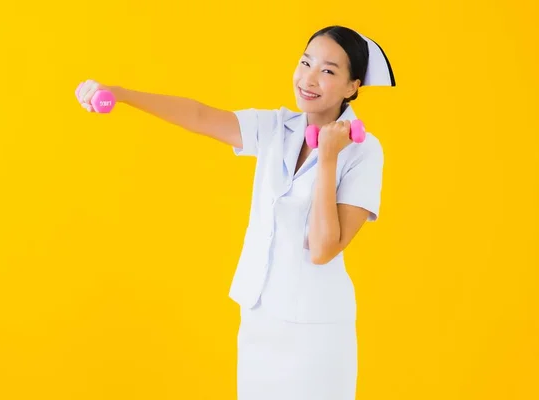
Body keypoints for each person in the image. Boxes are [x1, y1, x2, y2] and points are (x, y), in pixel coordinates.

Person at [77, 25, 395, 400]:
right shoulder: (277, 127)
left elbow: (324, 248)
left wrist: (327, 157)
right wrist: (121, 94)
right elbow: (199, 115)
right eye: (305, 62)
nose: (308, 78)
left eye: (327, 71)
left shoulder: (364, 151)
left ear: (352, 86)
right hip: (260, 320)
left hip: (316, 332)